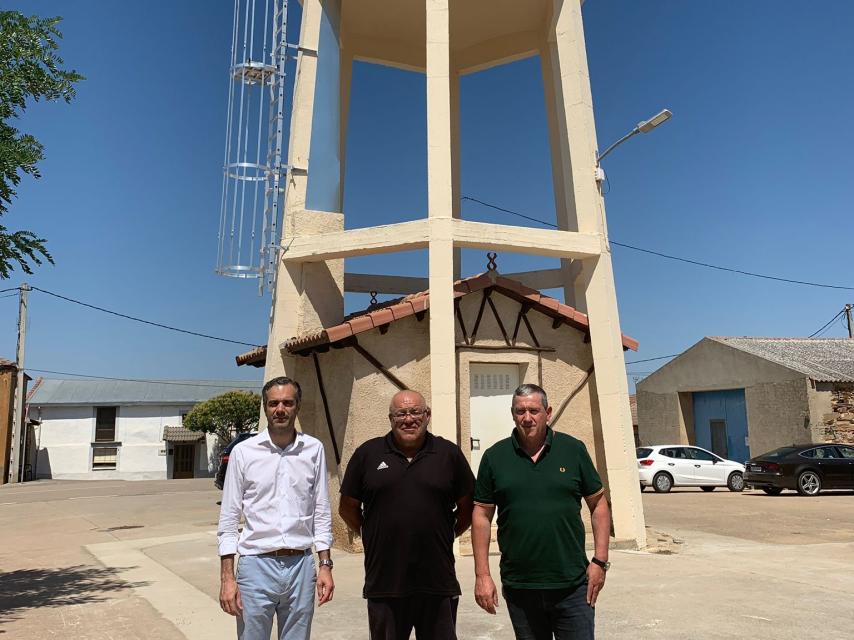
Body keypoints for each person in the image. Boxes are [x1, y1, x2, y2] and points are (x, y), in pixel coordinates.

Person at [471, 383, 611, 640]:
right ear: (512, 414)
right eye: (520, 411)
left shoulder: (573, 449)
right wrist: (482, 575)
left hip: (572, 586)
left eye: (533, 410)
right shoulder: (494, 457)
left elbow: (598, 504)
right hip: (520, 587)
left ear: (547, 411)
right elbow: (481, 515)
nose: (527, 418)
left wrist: (600, 561)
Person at [339, 389, 475, 640]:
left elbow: (468, 508)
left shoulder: (448, 454)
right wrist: (370, 534)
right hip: (385, 582)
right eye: (401, 413)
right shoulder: (368, 454)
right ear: (390, 419)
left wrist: (447, 534)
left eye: (415, 412)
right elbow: (347, 506)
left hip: (437, 580)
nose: (408, 419)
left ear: (427, 415)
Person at [217, 376, 334, 640]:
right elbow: (228, 520)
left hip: (301, 567)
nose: (280, 409)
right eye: (273, 403)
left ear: (297, 406)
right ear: (265, 407)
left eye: (287, 403)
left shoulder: (314, 449)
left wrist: (325, 564)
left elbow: (322, 512)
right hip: (255, 566)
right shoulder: (244, 452)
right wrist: (227, 578)